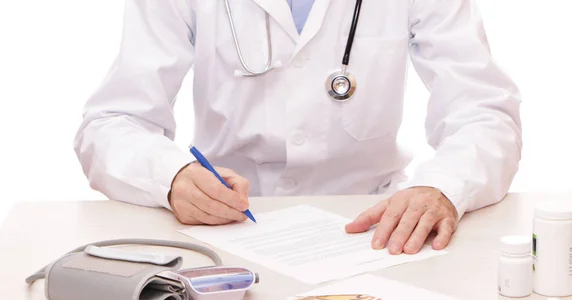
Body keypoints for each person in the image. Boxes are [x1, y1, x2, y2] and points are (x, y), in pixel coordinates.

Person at [74, 0, 522, 256]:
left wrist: (441, 187)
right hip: (223, 230)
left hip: (372, 231)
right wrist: (170, 178)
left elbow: (485, 112)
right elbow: (113, 122)